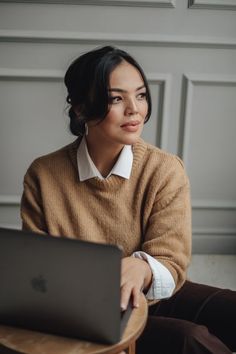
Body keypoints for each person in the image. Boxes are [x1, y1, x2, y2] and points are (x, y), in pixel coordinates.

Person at [21, 45, 236, 354]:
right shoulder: (44, 174)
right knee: (191, 339)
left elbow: (171, 261)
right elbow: (37, 270)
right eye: (116, 98)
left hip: (156, 294)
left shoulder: (164, 169)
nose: (135, 109)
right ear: (81, 108)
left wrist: (142, 268)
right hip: (89, 309)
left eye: (141, 95)